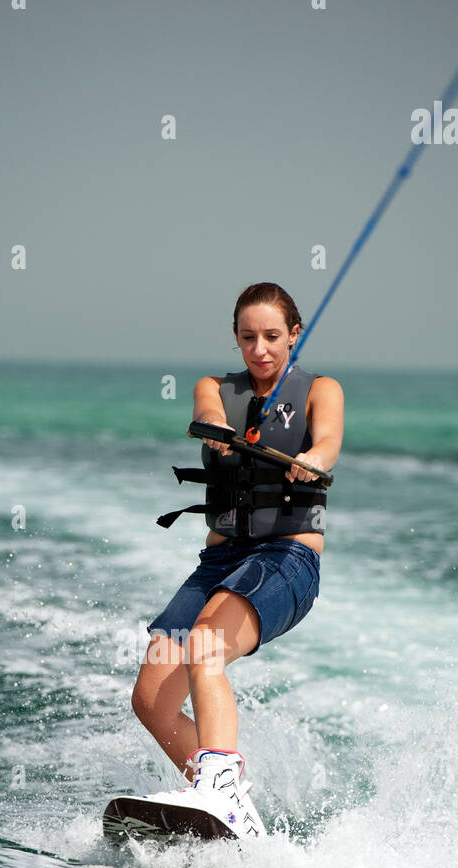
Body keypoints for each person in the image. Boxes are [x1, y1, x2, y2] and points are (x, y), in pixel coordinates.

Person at [131, 282, 344, 839]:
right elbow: (205, 413)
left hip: (287, 559)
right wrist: (219, 433)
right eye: (248, 338)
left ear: (294, 334)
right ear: (236, 339)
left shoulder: (322, 390)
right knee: (151, 699)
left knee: (204, 645)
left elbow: (327, 446)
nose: (261, 349)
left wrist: (308, 462)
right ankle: (223, 807)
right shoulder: (215, 389)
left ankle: (220, 789)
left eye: (273, 336)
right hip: (220, 563)